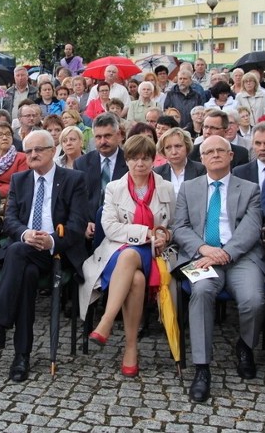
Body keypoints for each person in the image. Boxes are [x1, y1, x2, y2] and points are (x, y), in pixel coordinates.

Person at [0, 130, 88, 382]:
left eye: (39, 149)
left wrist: (51, 240)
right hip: (25, 250)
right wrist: (26, 233)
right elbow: (11, 222)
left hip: (56, 252)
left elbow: (78, 223)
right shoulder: (20, 180)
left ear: (53, 151)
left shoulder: (74, 179)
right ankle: (21, 356)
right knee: (24, 269)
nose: (33, 155)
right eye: (28, 151)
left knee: (17, 253)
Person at [172, 134, 265, 402]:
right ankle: (202, 368)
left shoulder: (249, 189)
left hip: (241, 256)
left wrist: (224, 253)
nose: (214, 155)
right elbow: (179, 227)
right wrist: (204, 250)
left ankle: (246, 346)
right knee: (201, 292)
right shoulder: (188, 188)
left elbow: (250, 230)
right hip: (201, 256)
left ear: (231, 156)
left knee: (254, 300)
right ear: (201, 159)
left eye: (220, 151)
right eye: (208, 151)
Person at [81, 135, 175, 377]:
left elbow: (175, 224)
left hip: (156, 253)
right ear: (127, 160)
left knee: (133, 264)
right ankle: (130, 347)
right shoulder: (114, 188)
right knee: (134, 274)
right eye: (134, 158)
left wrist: (165, 235)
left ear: (154, 160)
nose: (140, 164)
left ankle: (106, 321)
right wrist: (146, 232)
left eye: (145, 158)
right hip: (117, 249)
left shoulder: (166, 187)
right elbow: (110, 228)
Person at [73, 112, 129, 238]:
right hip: (90, 229)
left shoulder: (130, 162)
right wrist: (85, 222)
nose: (102, 141)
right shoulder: (81, 163)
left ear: (119, 135)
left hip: (122, 228)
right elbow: (78, 200)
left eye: (107, 136)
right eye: (98, 137)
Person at [153, 127, 205, 196]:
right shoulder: (157, 173)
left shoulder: (200, 169)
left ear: (187, 147)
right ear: (163, 151)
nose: (174, 152)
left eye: (178, 146)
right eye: (168, 147)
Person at [0, 122, 29, 198]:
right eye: (0, 135)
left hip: (12, 198)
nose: (5, 138)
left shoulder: (21, 158)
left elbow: (21, 183)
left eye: (8, 134)